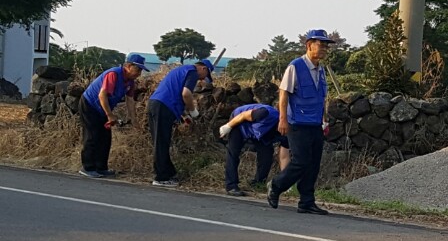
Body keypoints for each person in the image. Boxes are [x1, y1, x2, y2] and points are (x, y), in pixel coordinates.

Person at [266, 29, 333, 215]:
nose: (325, 49)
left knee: (313, 164)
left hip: (315, 124)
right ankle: (276, 186)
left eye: (326, 46)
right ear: (309, 45)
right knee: (301, 161)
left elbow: (322, 97)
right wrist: (283, 119)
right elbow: (284, 93)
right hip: (297, 123)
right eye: (321, 45)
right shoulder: (296, 66)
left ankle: (306, 201)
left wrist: (324, 120)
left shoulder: (320, 71)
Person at [77, 54, 148, 178]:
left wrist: (133, 119)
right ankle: (87, 167)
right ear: (128, 66)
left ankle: (101, 167)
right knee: (92, 136)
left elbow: (130, 99)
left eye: (141, 70)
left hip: (103, 108)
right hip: (89, 105)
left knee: (105, 138)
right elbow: (102, 95)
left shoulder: (130, 82)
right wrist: (110, 115)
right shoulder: (114, 74)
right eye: (138, 69)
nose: (139, 73)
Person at [147, 59, 214, 187]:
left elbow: (175, 93)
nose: (203, 79)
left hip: (156, 104)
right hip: (163, 106)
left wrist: (183, 115)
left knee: (161, 141)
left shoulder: (181, 70)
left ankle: (168, 172)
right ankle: (161, 177)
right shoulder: (192, 72)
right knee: (161, 142)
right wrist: (193, 111)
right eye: (206, 76)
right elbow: (186, 94)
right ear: (204, 68)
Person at [218, 103, 290, 196]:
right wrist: (228, 126)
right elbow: (243, 115)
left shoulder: (287, 132)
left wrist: (285, 180)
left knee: (267, 155)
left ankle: (258, 183)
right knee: (233, 153)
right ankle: (231, 186)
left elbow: (284, 157)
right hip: (239, 122)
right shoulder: (265, 113)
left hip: (260, 132)